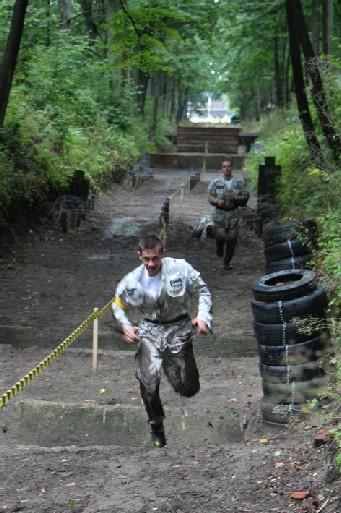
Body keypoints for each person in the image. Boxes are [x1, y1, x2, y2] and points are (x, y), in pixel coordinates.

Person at [112, 234, 212, 448]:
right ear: (139, 256)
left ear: (162, 254)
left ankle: (170, 366)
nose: (150, 264)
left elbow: (203, 291)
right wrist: (126, 326)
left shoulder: (181, 269)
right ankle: (156, 426)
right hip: (149, 330)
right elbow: (117, 305)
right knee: (147, 381)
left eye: (155, 259)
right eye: (146, 259)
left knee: (188, 388)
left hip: (179, 329)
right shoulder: (131, 281)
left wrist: (203, 317)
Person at [208, 159, 249, 270]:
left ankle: (227, 262)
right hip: (220, 214)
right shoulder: (216, 182)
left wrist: (236, 198)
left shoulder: (239, 183)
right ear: (222, 169)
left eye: (229, 166)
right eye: (224, 166)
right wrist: (217, 201)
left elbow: (246, 197)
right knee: (220, 237)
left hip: (234, 214)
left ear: (232, 168)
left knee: (232, 239)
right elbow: (210, 196)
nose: (227, 168)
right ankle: (219, 248)